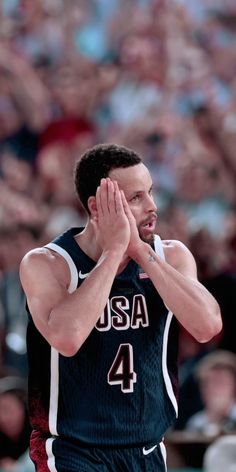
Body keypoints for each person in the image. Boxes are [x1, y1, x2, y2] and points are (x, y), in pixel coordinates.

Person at [19, 143, 222, 472]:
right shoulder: (49, 263)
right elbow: (67, 338)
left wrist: (141, 254)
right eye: (136, 198)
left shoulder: (170, 255)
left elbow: (207, 326)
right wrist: (114, 254)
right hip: (73, 449)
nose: (152, 206)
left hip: (146, 447)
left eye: (150, 192)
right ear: (98, 208)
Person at [185, 349, 236, 435]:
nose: (212, 389)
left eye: (220, 382)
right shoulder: (196, 423)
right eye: (206, 384)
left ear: (233, 386)